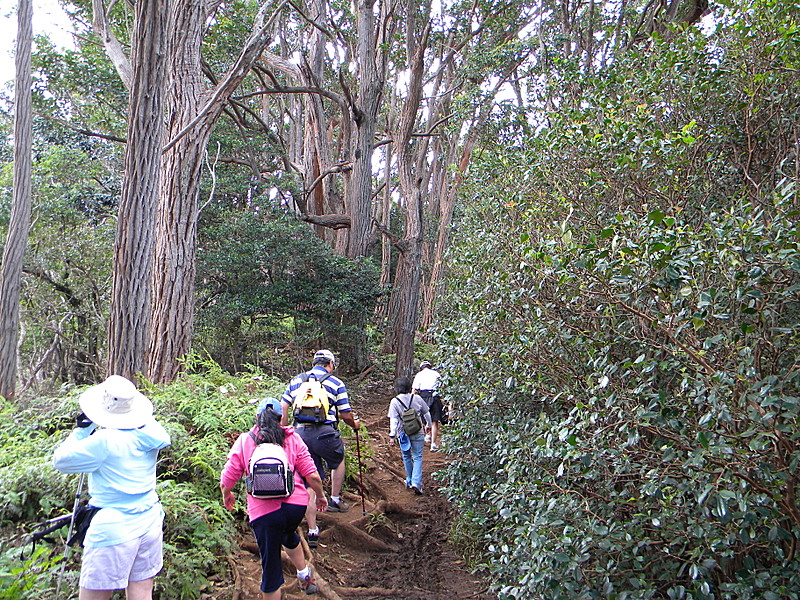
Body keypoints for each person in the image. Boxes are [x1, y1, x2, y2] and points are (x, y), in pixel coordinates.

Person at [52, 375, 171, 600]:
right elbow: (148, 424)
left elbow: (61, 460)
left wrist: (81, 430)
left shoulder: (104, 441)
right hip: (150, 520)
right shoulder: (152, 433)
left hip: (112, 528)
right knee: (142, 593)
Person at [221, 397, 326, 598]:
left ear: (257, 417)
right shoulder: (292, 438)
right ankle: (304, 574)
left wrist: (227, 495)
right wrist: (320, 496)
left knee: (271, 570)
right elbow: (312, 475)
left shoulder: (245, 440)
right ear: (281, 418)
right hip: (295, 507)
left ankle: (280, 585)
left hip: (264, 514)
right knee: (287, 533)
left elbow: (228, 477)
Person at [280, 349, 361, 548]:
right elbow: (345, 415)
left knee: (309, 478)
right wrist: (355, 426)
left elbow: (283, 406)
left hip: (300, 435)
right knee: (338, 459)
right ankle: (334, 499)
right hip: (325, 433)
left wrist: (284, 429)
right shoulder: (336, 383)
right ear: (330, 364)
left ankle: (313, 529)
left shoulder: (297, 380)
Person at [387, 376, 431, 495]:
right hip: (417, 431)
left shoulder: (394, 402)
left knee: (406, 456)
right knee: (417, 456)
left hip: (403, 433)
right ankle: (417, 482)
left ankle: (410, 480)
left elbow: (394, 420)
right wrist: (429, 425)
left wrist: (392, 435)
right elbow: (426, 413)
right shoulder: (417, 398)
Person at [412, 360, 443, 451]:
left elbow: (414, 389)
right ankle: (433, 443)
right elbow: (442, 385)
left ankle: (427, 436)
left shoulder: (419, 375)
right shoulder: (436, 374)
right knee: (434, 421)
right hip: (434, 396)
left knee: (424, 418)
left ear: (421, 367)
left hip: (423, 397)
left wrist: (411, 401)